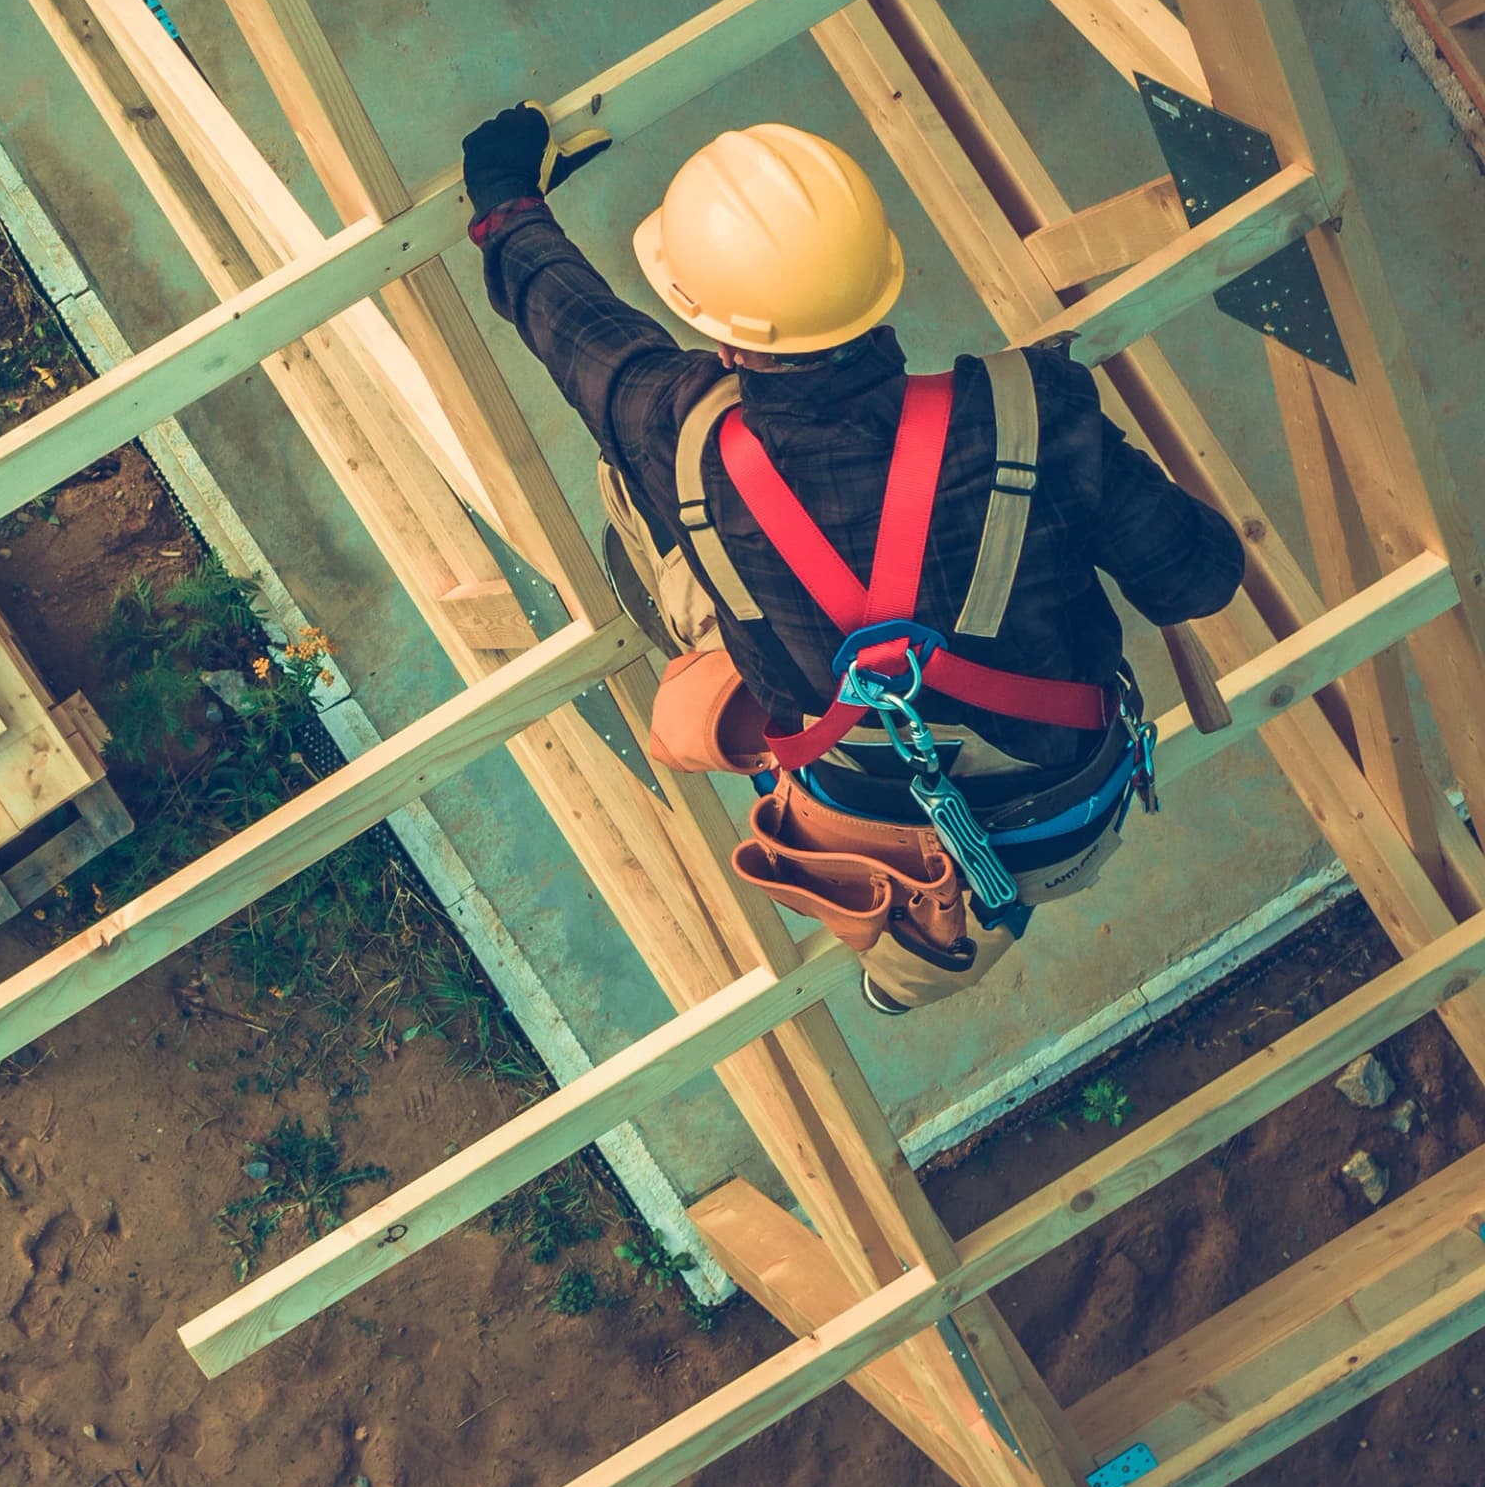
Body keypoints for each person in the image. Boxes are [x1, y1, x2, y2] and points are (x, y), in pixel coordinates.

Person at [461, 104, 1247, 1014]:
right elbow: (1200, 578)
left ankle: (914, 952)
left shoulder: (676, 426)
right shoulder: (1029, 416)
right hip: (1064, 828)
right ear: (883, 279)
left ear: (714, 331)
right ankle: (929, 948)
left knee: (636, 480)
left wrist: (504, 203)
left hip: (863, 823)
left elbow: (573, 326)